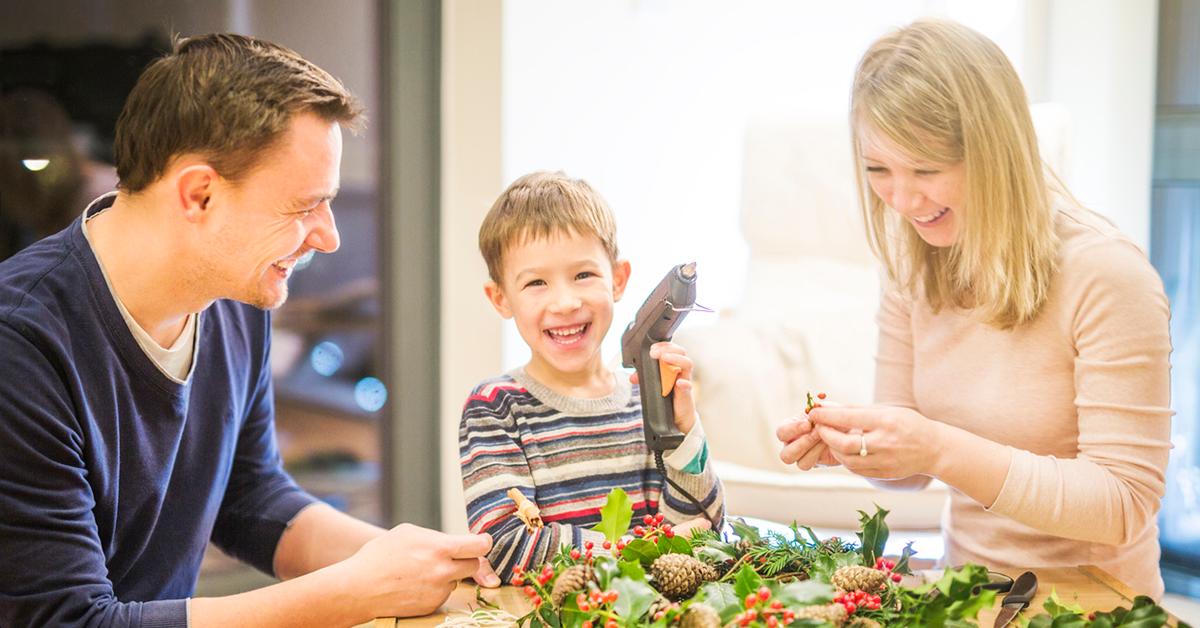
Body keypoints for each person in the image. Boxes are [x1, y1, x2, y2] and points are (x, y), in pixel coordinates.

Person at [0, 33, 496, 628]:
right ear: (199, 194)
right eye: (303, 206)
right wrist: (353, 593)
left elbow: (250, 495)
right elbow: (70, 621)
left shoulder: (236, 295)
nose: (328, 236)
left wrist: (413, 565)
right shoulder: (20, 343)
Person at [776, 19, 1172, 598]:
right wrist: (860, 445)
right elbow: (912, 470)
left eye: (928, 170)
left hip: (1094, 600)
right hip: (968, 594)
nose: (904, 201)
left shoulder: (1107, 274)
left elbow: (1123, 503)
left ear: (995, 153)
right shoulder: (912, 266)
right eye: (878, 170)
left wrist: (937, 446)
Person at [460, 171, 726, 580]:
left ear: (618, 279)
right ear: (500, 298)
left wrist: (682, 429)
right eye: (536, 282)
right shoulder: (495, 408)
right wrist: (648, 550)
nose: (565, 302)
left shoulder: (646, 399)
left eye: (583, 275)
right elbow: (509, 547)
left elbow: (706, 532)